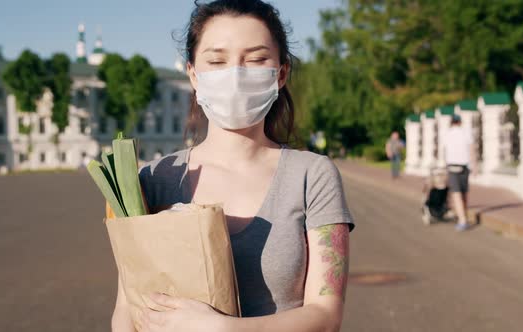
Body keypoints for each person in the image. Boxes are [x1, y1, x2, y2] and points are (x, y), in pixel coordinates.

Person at [112, 1, 355, 331]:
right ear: (193, 75)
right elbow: (127, 309)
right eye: (217, 61)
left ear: (281, 73)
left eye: (255, 60)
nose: (236, 75)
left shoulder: (312, 175)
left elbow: (327, 317)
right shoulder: (153, 180)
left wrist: (222, 328)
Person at [441, 114, 478, 231]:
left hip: (452, 166)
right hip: (465, 166)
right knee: (464, 193)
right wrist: (475, 165)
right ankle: (464, 216)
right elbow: (472, 149)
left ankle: (462, 220)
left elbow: (444, 151)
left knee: (456, 193)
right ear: (460, 122)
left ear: (451, 122)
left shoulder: (446, 133)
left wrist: (443, 166)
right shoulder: (466, 132)